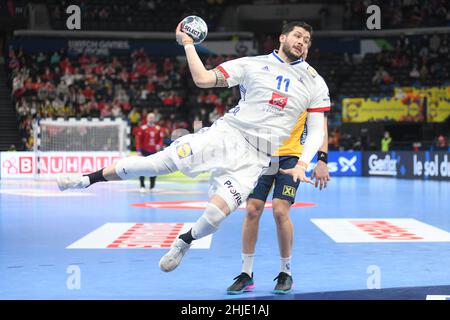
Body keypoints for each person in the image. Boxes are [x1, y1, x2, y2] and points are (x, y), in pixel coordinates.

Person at [56, 20, 330, 278]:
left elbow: (317, 130)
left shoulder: (315, 82)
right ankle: (85, 180)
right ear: (282, 38)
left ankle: (184, 241)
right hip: (226, 134)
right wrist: (188, 44)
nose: (302, 42)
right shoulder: (251, 65)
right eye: (297, 36)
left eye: (307, 40)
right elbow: (202, 79)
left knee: (216, 216)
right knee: (159, 163)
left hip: (256, 158)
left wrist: (304, 163)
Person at [226, 47, 330, 295]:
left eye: (306, 40)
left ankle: (286, 272)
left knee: (281, 210)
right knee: (252, 210)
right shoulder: (265, 80)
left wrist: (322, 160)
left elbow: (320, 127)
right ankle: (246, 274)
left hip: (291, 155)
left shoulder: (310, 85)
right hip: (262, 153)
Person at [135, 112, 164, 192]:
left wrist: (159, 145)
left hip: (154, 152)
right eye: (150, 117)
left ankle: (152, 186)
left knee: (154, 169)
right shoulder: (142, 128)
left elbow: (161, 139)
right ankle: (142, 185)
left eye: (152, 117)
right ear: (147, 118)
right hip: (144, 151)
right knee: (141, 169)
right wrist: (138, 150)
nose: (151, 118)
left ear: (154, 119)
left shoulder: (158, 129)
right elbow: (138, 140)